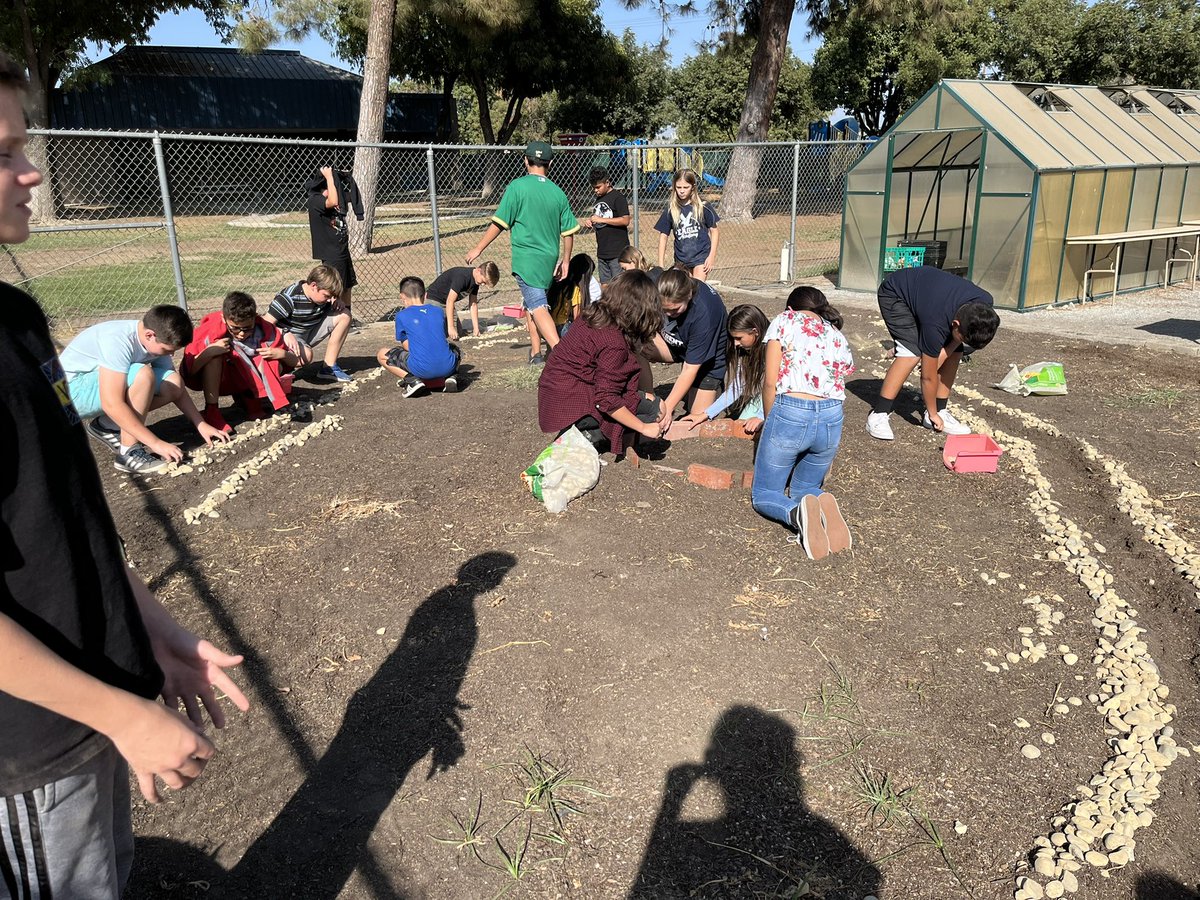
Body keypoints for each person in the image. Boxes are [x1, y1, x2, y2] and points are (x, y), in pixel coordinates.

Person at [0, 52, 249, 899]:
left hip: (90, 695)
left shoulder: (14, 315)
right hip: (32, 739)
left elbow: (63, 513)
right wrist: (115, 714)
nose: (32, 171)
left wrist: (151, 627)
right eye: (3, 152)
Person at [60, 305, 232, 475]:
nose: (171, 355)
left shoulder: (154, 335)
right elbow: (111, 403)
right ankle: (128, 452)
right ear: (150, 335)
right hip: (68, 395)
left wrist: (200, 424)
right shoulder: (118, 341)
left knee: (172, 382)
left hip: (94, 388)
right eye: (167, 350)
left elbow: (175, 386)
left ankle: (108, 425)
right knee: (143, 375)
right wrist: (155, 443)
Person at [751, 288, 855, 560]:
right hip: (832, 416)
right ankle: (817, 506)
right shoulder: (836, 334)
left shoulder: (784, 321)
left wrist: (770, 421)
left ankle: (796, 514)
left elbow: (770, 382)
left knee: (765, 494)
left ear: (790, 307)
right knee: (804, 489)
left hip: (792, 410)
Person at [465, 141, 579, 366]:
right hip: (549, 260)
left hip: (527, 260)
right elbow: (569, 232)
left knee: (538, 306)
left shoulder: (517, 187)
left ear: (526, 161)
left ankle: (563, 357)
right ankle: (538, 354)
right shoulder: (558, 192)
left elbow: (500, 223)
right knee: (533, 304)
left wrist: (479, 248)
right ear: (550, 163)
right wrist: (565, 260)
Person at [538, 270, 666, 456]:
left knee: (646, 402)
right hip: (572, 402)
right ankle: (588, 435)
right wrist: (644, 427)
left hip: (554, 396)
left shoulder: (594, 314)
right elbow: (606, 399)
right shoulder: (613, 341)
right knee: (652, 410)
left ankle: (587, 430)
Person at [866, 266, 1000, 441]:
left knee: (957, 351)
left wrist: (948, 349)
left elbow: (954, 342)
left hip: (931, 297)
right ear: (956, 324)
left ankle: (941, 409)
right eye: (963, 337)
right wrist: (932, 413)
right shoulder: (935, 324)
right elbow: (927, 377)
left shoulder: (985, 303)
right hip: (896, 293)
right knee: (911, 352)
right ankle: (878, 414)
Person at [181, 291, 299, 432]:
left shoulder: (266, 331)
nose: (242, 333)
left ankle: (251, 398)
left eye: (247, 328)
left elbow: (293, 362)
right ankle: (212, 410)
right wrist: (208, 352)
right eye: (235, 328)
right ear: (224, 319)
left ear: (255, 318)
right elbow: (189, 371)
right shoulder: (210, 331)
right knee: (214, 356)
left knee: (271, 360)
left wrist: (282, 353)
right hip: (221, 379)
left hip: (246, 377)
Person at [640, 267, 728, 431]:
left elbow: (689, 369)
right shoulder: (658, 285)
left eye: (674, 310)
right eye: (664, 309)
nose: (667, 314)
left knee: (695, 419)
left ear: (688, 295)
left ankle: (713, 388)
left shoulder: (704, 314)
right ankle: (649, 399)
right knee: (635, 343)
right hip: (677, 346)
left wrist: (667, 409)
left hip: (707, 362)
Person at [680, 304, 769, 434]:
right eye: (733, 338)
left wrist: (762, 416)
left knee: (760, 426)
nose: (736, 343)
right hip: (768, 396)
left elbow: (779, 388)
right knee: (744, 425)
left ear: (755, 331)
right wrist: (706, 414)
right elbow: (737, 387)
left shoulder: (774, 347)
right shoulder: (748, 351)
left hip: (787, 397)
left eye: (739, 338)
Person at [265, 264, 354, 383]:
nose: (329, 300)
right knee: (306, 356)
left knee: (345, 315)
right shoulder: (289, 297)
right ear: (313, 286)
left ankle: (329, 367)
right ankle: (276, 369)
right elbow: (264, 323)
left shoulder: (322, 296)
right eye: (327, 296)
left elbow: (331, 300)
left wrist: (338, 301)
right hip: (289, 336)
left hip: (309, 331)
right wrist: (284, 333)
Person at [376, 276, 461, 397]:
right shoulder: (438, 311)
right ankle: (452, 376)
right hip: (447, 366)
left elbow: (407, 346)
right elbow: (439, 338)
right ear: (425, 295)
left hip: (421, 369)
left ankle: (412, 380)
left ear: (402, 297)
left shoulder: (401, 315)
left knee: (382, 354)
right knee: (455, 349)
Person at [306, 165, 362, 311]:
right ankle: (335, 316)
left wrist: (346, 177)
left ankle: (347, 314)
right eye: (331, 187)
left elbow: (349, 196)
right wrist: (329, 177)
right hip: (331, 253)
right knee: (334, 288)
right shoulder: (315, 200)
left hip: (342, 251)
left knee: (347, 285)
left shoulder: (336, 196)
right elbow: (332, 201)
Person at [654, 169, 720, 281]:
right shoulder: (671, 210)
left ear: (693, 187)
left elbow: (715, 231)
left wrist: (711, 257)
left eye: (686, 187)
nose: (682, 191)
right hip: (681, 260)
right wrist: (661, 265)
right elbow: (663, 236)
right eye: (679, 187)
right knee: (683, 289)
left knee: (697, 286)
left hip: (700, 257)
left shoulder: (703, 207)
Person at [581, 167, 631, 284]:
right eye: (593, 187)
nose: (595, 190)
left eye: (598, 187)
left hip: (617, 252)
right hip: (603, 252)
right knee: (605, 286)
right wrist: (591, 221)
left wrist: (601, 219)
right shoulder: (599, 199)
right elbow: (599, 218)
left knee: (618, 286)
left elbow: (625, 220)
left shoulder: (618, 197)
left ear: (607, 183)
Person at [427, 261, 501, 340]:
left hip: (446, 303)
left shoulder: (476, 282)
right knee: (442, 334)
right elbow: (450, 301)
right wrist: (451, 327)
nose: (482, 284)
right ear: (478, 270)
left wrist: (476, 328)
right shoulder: (462, 277)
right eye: (483, 281)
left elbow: (473, 304)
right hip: (433, 299)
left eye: (485, 283)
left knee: (457, 334)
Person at [547, 253, 601, 336]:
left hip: (548, 325)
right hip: (563, 327)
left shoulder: (557, 281)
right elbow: (576, 317)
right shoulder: (575, 289)